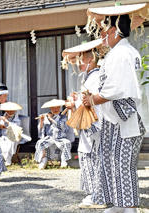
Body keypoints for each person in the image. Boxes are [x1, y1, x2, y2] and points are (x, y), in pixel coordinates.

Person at [83, 4, 148, 213]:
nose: (102, 36)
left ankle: (129, 207)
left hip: (126, 117)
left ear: (114, 31)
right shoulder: (121, 52)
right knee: (113, 162)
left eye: (104, 32)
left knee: (123, 163)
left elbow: (114, 89)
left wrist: (92, 99)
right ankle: (120, 205)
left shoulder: (122, 53)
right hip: (119, 118)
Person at [62, 39, 108, 209]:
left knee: (92, 158)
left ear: (90, 60)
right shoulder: (92, 76)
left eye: (81, 60)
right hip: (92, 124)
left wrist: (73, 104)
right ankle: (95, 194)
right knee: (90, 157)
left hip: (94, 124)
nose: (79, 64)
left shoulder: (95, 77)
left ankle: (97, 196)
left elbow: (90, 101)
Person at [34, 99, 74, 169]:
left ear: (60, 108)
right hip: (50, 137)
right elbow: (41, 129)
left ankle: (64, 161)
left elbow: (62, 127)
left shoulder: (63, 116)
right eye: (53, 108)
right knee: (40, 142)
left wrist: (51, 119)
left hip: (60, 137)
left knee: (66, 143)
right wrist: (42, 121)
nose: (55, 109)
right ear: (50, 108)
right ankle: (43, 160)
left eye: (57, 107)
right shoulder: (47, 116)